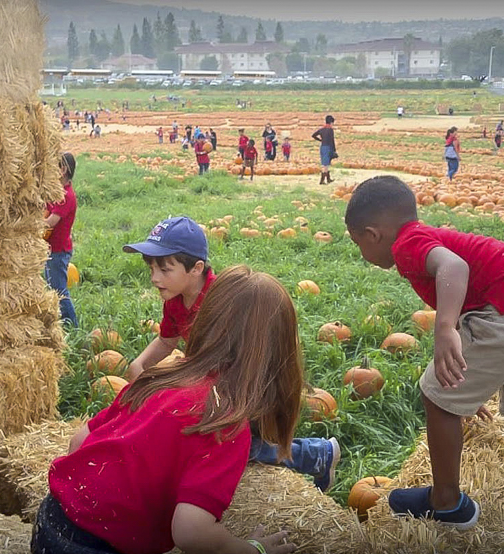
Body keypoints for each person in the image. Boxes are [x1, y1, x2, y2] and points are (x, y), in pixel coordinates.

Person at [344, 176, 504, 554]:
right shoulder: (423, 235)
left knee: (436, 395)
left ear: (373, 234)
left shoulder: (406, 245)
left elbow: (454, 269)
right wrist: (473, 387)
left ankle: (446, 503)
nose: (360, 252)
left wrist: (445, 328)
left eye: (358, 244)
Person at [31, 265, 301, 554]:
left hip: (49, 522)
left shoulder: (157, 377)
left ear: (203, 320)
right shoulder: (224, 422)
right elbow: (190, 532)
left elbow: (77, 443)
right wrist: (250, 549)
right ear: (279, 353)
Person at [122, 217, 340, 491]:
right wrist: (140, 364)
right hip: (216, 383)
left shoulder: (224, 299)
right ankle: (315, 453)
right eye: (151, 268)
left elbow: (244, 357)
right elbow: (166, 342)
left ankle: (314, 454)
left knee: (228, 445)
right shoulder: (175, 300)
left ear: (196, 268)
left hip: (249, 381)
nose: (155, 278)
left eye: (164, 269)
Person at [43, 153, 79, 328]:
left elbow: (50, 222)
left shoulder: (67, 196)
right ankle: (60, 323)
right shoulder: (57, 192)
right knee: (52, 288)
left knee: (59, 291)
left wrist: (28, 226)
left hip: (58, 251)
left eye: (54, 167)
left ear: (63, 170)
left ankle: (72, 326)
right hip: (52, 249)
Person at [311, 115, 336, 185]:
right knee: (325, 165)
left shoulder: (322, 129)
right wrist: (334, 150)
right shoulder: (330, 130)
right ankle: (322, 180)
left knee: (325, 163)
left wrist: (320, 140)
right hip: (328, 147)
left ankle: (328, 179)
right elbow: (332, 140)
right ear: (331, 122)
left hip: (322, 147)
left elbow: (313, 135)